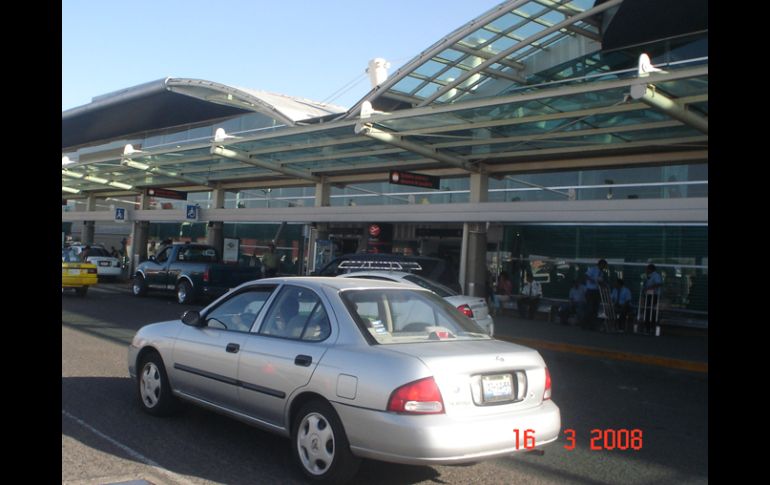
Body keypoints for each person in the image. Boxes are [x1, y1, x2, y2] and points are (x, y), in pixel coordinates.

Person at [583, 259, 608, 330]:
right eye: (604, 265)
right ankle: (585, 324)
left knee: (595, 309)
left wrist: (604, 285)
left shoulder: (601, 273)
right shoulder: (593, 269)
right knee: (589, 308)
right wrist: (593, 280)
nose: (604, 267)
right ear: (600, 264)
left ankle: (592, 325)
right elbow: (586, 276)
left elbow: (600, 281)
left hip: (597, 291)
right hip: (590, 291)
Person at [642, 263, 663, 333]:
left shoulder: (656, 275)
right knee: (647, 310)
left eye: (647, 269)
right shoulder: (648, 276)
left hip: (654, 295)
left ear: (650, 269)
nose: (646, 270)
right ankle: (646, 326)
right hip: (648, 295)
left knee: (651, 311)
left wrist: (649, 288)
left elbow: (658, 283)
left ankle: (651, 326)